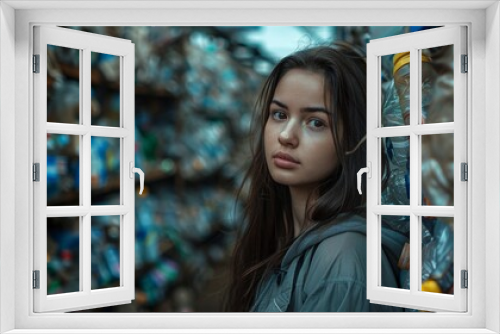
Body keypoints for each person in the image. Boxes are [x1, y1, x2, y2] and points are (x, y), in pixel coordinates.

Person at [225, 43, 408, 312]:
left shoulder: (341, 262)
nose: (286, 135)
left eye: (316, 122)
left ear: (354, 139)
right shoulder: (290, 234)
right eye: (279, 114)